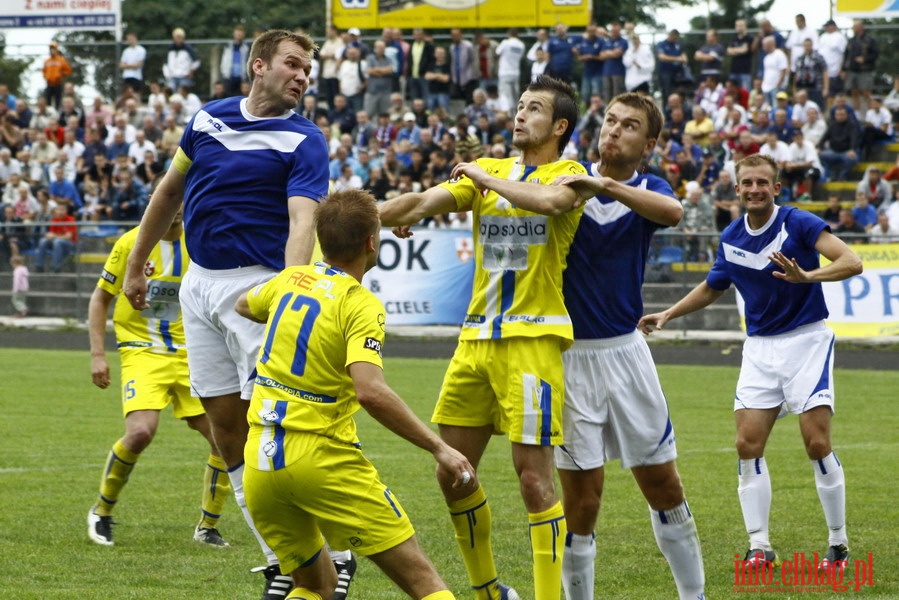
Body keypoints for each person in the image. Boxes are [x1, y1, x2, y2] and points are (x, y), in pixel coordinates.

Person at [121, 29, 356, 599]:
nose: (303, 76)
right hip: (198, 288)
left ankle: (336, 558)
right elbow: (168, 192)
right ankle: (287, 557)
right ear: (258, 66)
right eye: (293, 65)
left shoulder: (306, 138)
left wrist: (288, 289)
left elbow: (303, 221)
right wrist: (136, 262)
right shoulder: (207, 119)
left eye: (308, 69)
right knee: (226, 434)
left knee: (273, 432)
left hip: (258, 291)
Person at [379, 75, 587, 600]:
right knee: (453, 473)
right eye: (518, 106)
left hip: (533, 344)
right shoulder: (488, 171)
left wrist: (481, 179)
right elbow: (423, 200)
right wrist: (355, 214)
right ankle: (487, 590)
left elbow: (550, 204)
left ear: (559, 126)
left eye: (534, 109)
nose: (520, 115)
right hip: (474, 343)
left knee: (534, 480)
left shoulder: (570, 173)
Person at [235, 189, 474, 600]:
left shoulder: (290, 280)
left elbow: (243, 305)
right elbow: (371, 393)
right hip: (321, 458)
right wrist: (440, 448)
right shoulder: (360, 304)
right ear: (370, 243)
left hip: (260, 458)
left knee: (315, 587)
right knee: (423, 582)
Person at [639, 153, 862, 574]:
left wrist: (808, 277)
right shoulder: (731, 236)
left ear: (777, 188)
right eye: (748, 184)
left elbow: (852, 261)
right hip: (760, 348)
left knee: (816, 442)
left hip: (806, 341)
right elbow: (713, 285)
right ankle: (759, 545)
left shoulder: (798, 223)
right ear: (737, 190)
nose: (755, 189)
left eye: (763, 183)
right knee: (747, 445)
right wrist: (668, 314)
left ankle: (838, 544)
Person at [546, 92, 705, 599]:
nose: (614, 130)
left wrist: (605, 185)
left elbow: (674, 212)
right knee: (583, 504)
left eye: (629, 125)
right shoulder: (562, 177)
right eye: (610, 120)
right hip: (569, 359)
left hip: (627, 355)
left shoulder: (648, 189)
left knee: (665, 487)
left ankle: (693, 595)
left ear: (649, 143)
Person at [87, 202, 231, 547]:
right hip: (142, 350)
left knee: (224, 440)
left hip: (191, 353)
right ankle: (102, 511)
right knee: (140, 432)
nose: (177, 208)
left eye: (183, 201)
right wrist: (97, 355)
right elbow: (99, 298)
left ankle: (207, 527)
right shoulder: (132, 243)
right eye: (170, 200)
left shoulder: (199, 243)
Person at [35, 203, 77, 272]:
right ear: (56, 211)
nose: (60, 212)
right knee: (43, 241)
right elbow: (51, 234)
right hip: (56, 242)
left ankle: (55, 266)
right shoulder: (54, 220)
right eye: (59, 210)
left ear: (66, 211)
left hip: (70, 244)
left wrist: (54, 236)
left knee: (57, 241)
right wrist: (48, 236)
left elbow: (68, 237)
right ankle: (39, 266)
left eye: (62, 210)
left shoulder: (70, 220)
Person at [220, 26, 251, 97]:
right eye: (237, 34)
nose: (239, 36)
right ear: (234, 35)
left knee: (240, 97)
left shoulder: (245, 48)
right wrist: (224, 72)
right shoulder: (228, 47)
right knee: (229, 96)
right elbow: (224, 60)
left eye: (240, 34)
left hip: (241, 76)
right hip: (229, 76)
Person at [43, 42, 73, 110]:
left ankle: (57, 112)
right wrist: (46, 77)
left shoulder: (61, 60)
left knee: (58, 101)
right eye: (51, 49)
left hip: (58, 84)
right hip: (49, 84)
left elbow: (68, 70)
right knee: (48, 101)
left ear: (56, 50)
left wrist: (61, 75)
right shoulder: (47, 61)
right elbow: (43, 71)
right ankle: (49, 113)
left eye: (53, 49)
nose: (52, 50)